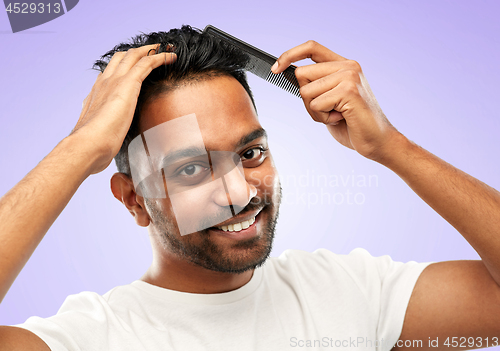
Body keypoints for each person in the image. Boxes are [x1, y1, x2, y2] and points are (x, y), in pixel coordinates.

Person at [0, 25, 499, 350]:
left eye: (250, 154)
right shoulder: (93, 339)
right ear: (134, 199)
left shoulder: (348, 293)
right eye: (192, 169)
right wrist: (78, 149)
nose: (238, 192)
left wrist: (391, 146)